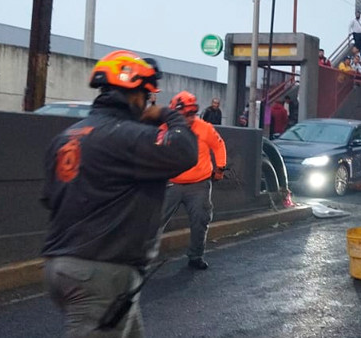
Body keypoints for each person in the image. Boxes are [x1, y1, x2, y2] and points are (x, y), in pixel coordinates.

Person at [41, 50, 198, 336]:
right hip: (100, 272)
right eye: (148, 97)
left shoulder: (66, 137)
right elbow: (185, 151)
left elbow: (50, 198)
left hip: (61, 265)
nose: (149, 103)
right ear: (135, 95)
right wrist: (167, 114)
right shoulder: (126, 136)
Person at [160, 91, 227, 270]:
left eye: (192, 113)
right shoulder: (164, 128)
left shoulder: (204, 128)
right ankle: (141, 258)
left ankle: (195, 256)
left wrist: (220, 168)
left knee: (200, 221)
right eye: (185, 114)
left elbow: (218, 145)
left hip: (199, 184)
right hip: (171, 183)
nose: (190, 118)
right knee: (154, 221)